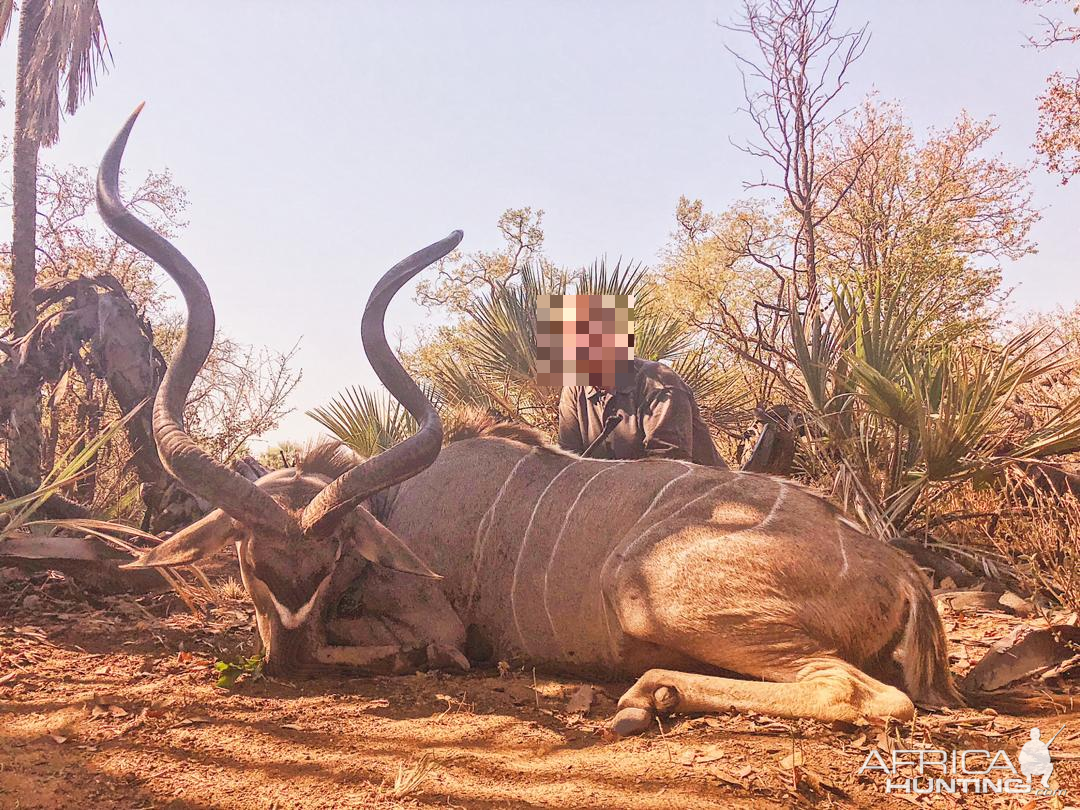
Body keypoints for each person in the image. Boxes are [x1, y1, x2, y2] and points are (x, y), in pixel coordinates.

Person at [558, 357, 726, 467]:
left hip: (697, 497)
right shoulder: (574, 390)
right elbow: (568, 463)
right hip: (618, 500)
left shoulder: (659, 383)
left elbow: (669, 468)